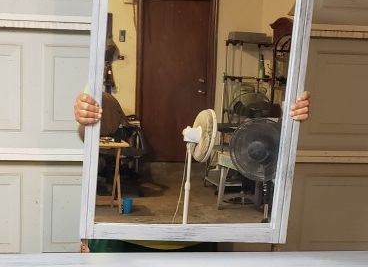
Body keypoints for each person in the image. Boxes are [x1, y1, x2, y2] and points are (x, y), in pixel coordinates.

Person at [74, 90, 311, 252]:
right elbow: (89, 135)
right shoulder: (95, 83)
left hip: (200, 241)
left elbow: (285, 144)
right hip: (120, 239)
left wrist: (292, 121)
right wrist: (85, 120)